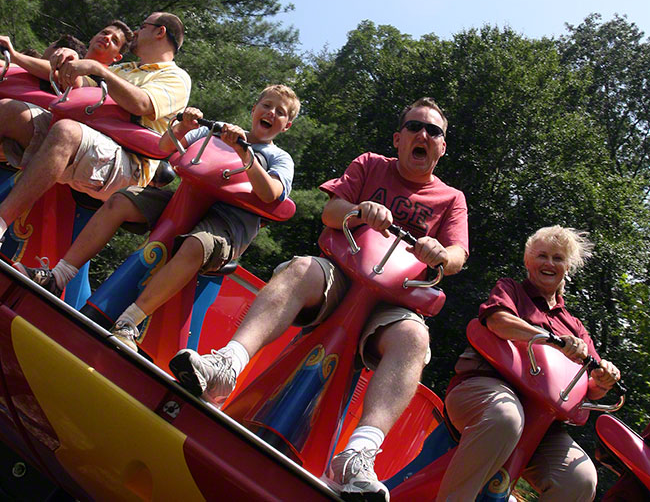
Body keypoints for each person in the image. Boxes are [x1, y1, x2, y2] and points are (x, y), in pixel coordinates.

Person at [169, 97, 469, 500]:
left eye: (434, 131)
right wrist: (361, 211)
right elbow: (332, 213)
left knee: (415, 339)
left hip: (394, 303)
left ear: (442, 147)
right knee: (299, 269)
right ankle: (228, 364)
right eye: (415, 127)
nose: (423, 135)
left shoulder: (451, 199)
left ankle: (359, 453)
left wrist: (439, 251)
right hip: (341, 275)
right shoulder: (370, 165)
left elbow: (457, 256)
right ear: (398, 138)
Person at [16, 85, 300, 352]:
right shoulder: (217, 134)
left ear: (287, 126)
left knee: (195, 245)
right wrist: (184, 126)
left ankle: (130, 321)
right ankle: (58, 276)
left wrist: (244, 153)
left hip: (227, 222)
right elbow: (165, 146)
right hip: (184, 202)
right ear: (254, 109)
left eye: (280, 112)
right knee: (121, 200)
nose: (271, 113)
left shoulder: (279, 158)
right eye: (267, 105)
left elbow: (270, 193)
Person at [436, 225, 621, 502]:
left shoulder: (575, 327)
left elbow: (588, 386)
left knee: (580, 478)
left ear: (567, 267)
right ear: (527, 260)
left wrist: (603, 381)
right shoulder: (510, 289)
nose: (549, 263)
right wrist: (551, 339)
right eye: (542, 255)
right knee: (506, 418)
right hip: (486, 389)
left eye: (558, 258)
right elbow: (499, 321)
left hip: (542, 421)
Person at [0, 12, 191, 242]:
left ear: (160, 32)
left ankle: (2, 221)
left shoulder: (176, 77)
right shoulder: (124, 69)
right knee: (9, 110)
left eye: (142, 26)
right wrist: (65, 61)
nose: (136, 33)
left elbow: (141, 104)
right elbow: (75, 82)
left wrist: (99, 70)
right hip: (85, 139)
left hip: (128, 163)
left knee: (65, 131)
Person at [0, 23, 131, 170]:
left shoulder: (104, 78)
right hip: (23, 125)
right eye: (104, 33)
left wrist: (15, 56)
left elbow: (70, 79)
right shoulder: (69, 58)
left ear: (117, 57)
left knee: (6, 109)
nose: (106, 38)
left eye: (114, 41)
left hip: (54, 136)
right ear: (93, 38)